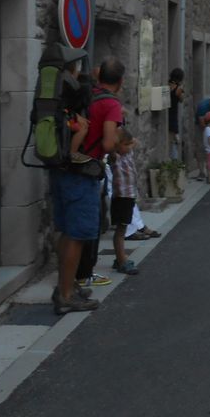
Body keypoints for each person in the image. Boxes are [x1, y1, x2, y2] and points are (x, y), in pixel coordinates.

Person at [72, 58, 125, 297]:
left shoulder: (89, 94)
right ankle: (84, 274)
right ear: (120, 81)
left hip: (73, 162)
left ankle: (75, 276)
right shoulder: (111, 104)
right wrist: (115, 147)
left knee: (73, 227)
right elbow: (107, 142)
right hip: (91, 167)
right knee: (90, 225)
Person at [110, 128, 139, 276]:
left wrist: (126, 140)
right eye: (125, 145)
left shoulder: (127, 153)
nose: (129, 147)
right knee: (121, 230)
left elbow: (134, 141)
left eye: (129, 145)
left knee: (123, 228)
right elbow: (114, 145)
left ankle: (119, 257)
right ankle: (121, 260)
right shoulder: (115, 157)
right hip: (121, 197)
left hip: (129, 196)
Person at [168, 68, 184, 160]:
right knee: (174, 138)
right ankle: (174, 160)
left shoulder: (168, 84)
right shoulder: (178, 88)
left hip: (167, 112)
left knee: (171, 137)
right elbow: (181, 99)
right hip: (173, 113)